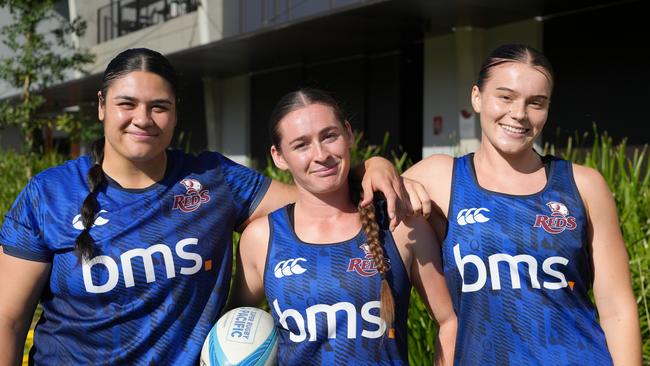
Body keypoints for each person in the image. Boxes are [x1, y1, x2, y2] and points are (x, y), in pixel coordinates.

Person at [0, 48, 425, 365]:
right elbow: (8, 321)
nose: (142, 118)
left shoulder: (214, 180)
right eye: (126, 104)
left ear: (175, 114)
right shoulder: (47, 195)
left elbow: (319, 199)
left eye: (158, 107)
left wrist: (372, 166)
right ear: (101, 107)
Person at [403, 43, 641, 365]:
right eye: (505, 96)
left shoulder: (582, 185)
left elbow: (616, 309)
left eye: (536, 103)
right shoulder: (441, 178)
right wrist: (375, 165)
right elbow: (350, 195)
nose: (519, 113)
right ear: (477, 97)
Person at [228, 88, 457, 365]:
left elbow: (449, 322)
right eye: (301, 145)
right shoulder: (261, 238)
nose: (321, 154)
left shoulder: (400, 225)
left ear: (348, 133)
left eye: (329, 136)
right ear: (278, 157)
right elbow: (233, 334)